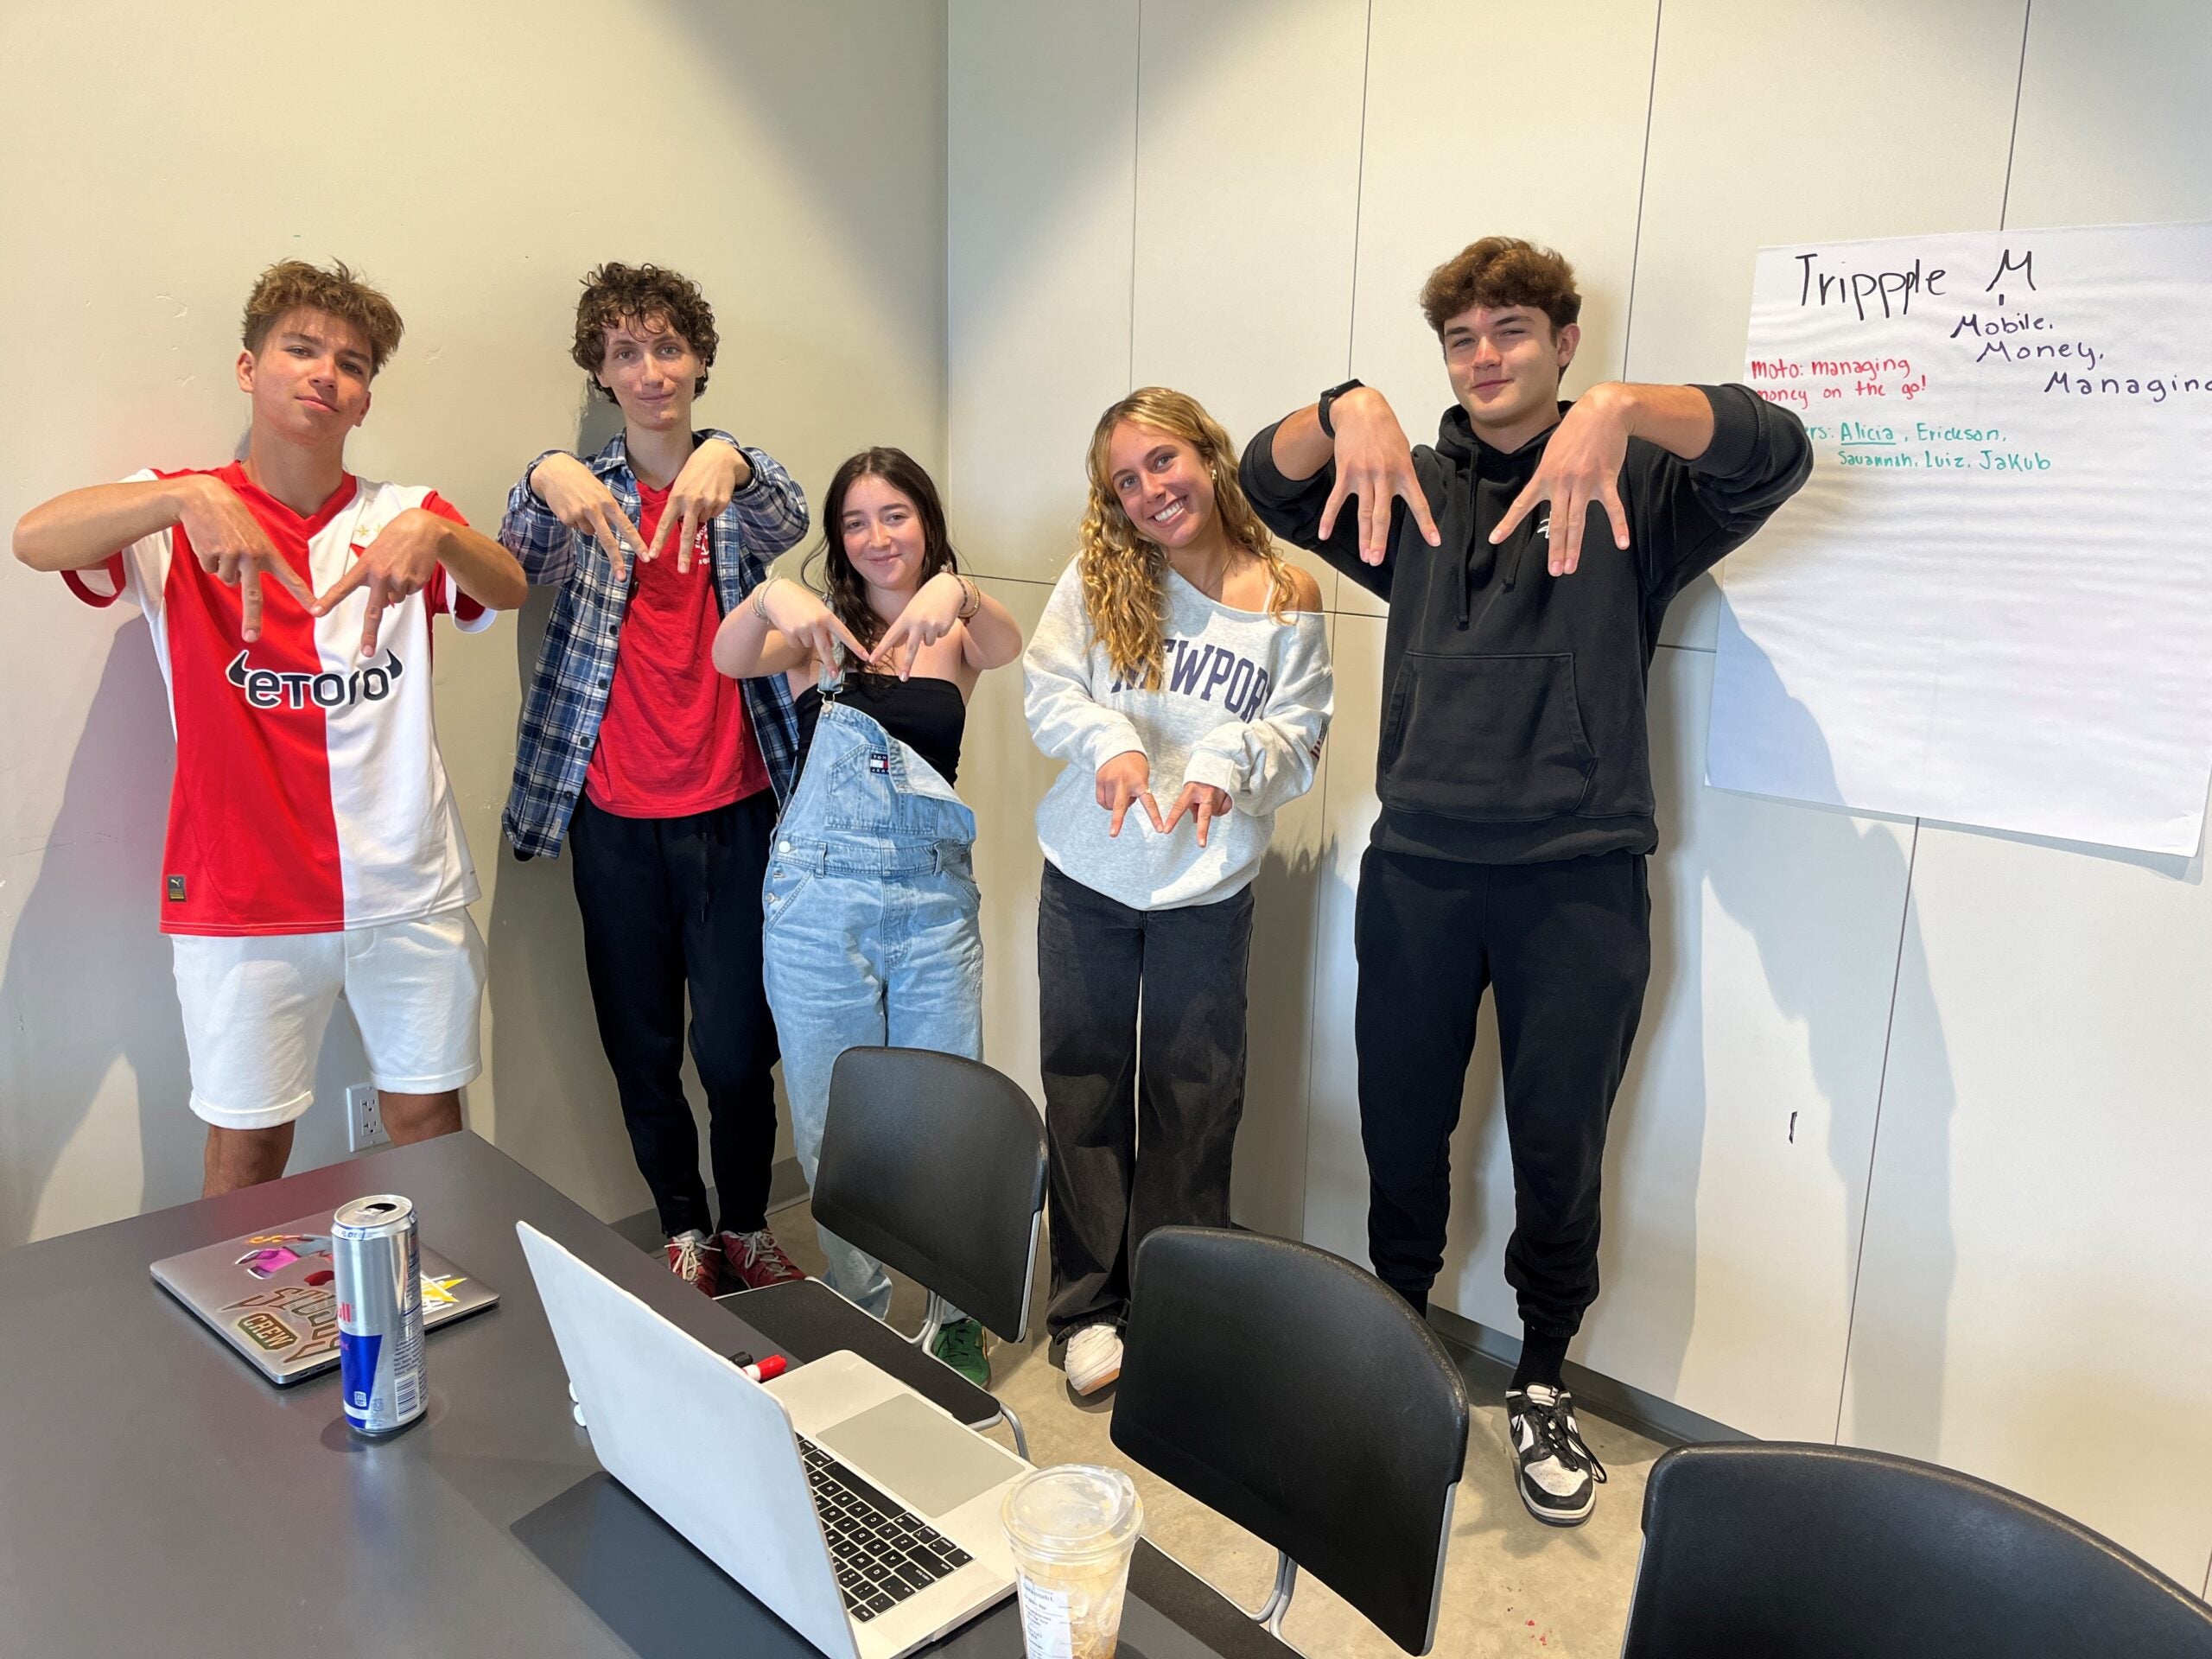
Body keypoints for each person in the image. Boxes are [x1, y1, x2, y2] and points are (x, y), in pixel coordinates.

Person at [1239, 236, 1812, 1526]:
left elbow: (1778, 449)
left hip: (1579, 879)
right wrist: (1348, 410)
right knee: (1401, 1130)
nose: (1484, 357)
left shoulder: (1637, 491)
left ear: (1563, 344)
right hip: (1421, 877)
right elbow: (1261, 485)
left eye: (1512, 331)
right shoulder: (1410, 490)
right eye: (1461, 338)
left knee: (1560, 1148)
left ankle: (1543, 1380)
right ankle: (1397, 1349)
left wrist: (1617, 414)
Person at [11, 258, 526, 1196]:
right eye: (300, 348)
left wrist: (446, 537)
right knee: (246, 1153)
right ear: (249, 369)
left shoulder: (405, 515)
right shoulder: (177, 508)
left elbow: (509, 586)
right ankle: (241, 1339)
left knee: (430, 1126)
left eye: (352, 363)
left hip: (405, 880)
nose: (325, 372)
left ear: (365, 401)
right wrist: (179, 496)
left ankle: (435, 1328)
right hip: (240, 893)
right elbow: (36, 539)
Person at [499, 263, 812, 1298]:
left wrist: (732, 453)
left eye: (668, 348)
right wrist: (548, 468)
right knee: (641, 1045)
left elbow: (796, 513)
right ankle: (682, 1228)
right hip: (614, 819)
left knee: (734, 1050)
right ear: (601, 369)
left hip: (735, 808)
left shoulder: (733, 491)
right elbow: (513, 555)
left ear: (701, 360)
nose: (649, 370)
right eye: (625, 353)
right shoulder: (581, 494)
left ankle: (749, 1225)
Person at [1025, 387, 1332, 1401]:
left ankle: (1175, 1299)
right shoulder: (1102, 577)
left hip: (1207, 883)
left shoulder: (1287, 594)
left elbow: (1298, 739)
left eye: (1164, 462)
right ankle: (1085, 1310)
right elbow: (1048, 691)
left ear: (1209, 455)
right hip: (1089, 873)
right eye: (1126, 479)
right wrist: (1111, 741)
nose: (1151, 491)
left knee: (1194, 1098)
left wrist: (1228, 763)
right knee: (1083, 1087)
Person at [711, 447, 1023, 1386]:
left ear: (924, 521)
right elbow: (728, 658)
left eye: (895, 515)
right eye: (855, 522)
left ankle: (956, 1315)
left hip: (931, 898)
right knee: (832, 1116)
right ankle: (857, 1303)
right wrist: (772, 597)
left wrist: (959, 594)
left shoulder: (958, 630)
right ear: (838, 541)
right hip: (815, 897)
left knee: (945, 1113)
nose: (877, 536)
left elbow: (1008, 645)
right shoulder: (821, 633)